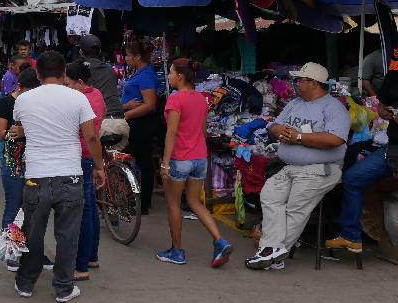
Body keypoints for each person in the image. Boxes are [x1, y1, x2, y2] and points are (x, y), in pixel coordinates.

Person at [327, 41, 398, 284]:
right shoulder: (395, 75)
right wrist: (385, 112)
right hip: (394, 146)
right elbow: (383, 104)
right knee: (353, 178)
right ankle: (351, 234)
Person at [10, 51, 106, 303]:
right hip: (69, 175)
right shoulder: (78, 98)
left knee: (33, 233)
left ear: (38, 73)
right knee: (67, 235)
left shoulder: (23, 99)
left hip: (36, 176)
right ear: (64, 73)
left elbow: (21, 127)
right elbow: (92, 137)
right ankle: (63, 288)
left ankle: (26, 283)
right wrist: (99, 166)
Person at [246, 62, 350, 270]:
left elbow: (336, 139)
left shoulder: (334, 107)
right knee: (269, 196)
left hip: (319, 169)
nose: (295, 83)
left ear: (314, 83)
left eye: (300, 80)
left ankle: (270, 253)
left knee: (295, 207)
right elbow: (274, 125)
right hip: (289, 166)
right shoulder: (295, 103)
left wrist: (299, 137)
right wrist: (278, 132)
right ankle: (273, 251)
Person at [156, 58, 233, 267]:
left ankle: (177, 251)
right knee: (195, 202)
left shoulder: (175, 99)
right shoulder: (201, 99)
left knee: (173, 204)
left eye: (171, 72)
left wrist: (165, 162)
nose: (169, 76)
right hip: (200, 158)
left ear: (180, 76)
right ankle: (220, 240)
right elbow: (203, 131)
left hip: (180, 159)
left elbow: (171, 132)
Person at [64, 60, 106, 281]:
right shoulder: (97, 94)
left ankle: (81, 266)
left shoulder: (81, 100)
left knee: (83, 213)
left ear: (79, 82)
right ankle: (91, 256)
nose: (66, 87)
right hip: (89, 156)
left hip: (82, 156)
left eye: (69, 83)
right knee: (90, 208)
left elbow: (88, 135)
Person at [0, 67, 40, 233]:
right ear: (20, 86)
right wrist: (20, 132)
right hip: (13, 163)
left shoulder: (38, 104)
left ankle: (29, 253)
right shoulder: (6, 103)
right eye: (30, 90)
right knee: (14, 207)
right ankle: (11, 255)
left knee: (33, 209)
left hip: (36, 162)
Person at [121, 40, 160, 214]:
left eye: (129, 55)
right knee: (138, 160)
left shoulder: (146, 75)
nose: (126, 58)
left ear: (138, 57)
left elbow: (150, 104)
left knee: (144, 163)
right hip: (135, 122)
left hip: (142, 124)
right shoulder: (139, 73)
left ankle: (144, 204)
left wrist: (127, 115)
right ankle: (137, 197)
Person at [77, 34, 129, 151]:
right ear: (99, 51)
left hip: (100, 124)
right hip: (120, 123)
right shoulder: (110, 70)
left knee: (86, 159)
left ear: (81, 51)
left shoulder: (79, 71)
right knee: (112, 160)